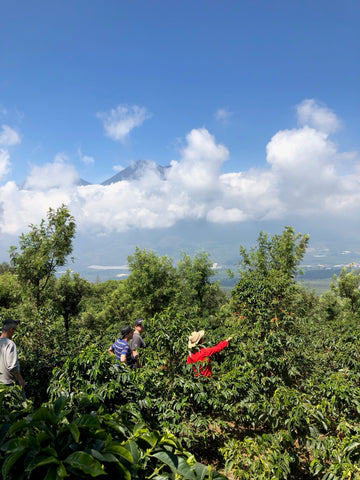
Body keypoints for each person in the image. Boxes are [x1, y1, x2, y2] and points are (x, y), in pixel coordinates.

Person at [0, 318, 25, 390]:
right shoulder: (10, 344)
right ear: (11, 330)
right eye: (15, 330)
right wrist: (21, 380)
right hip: (8, 384)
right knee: (21, 400)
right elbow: (12, 367)